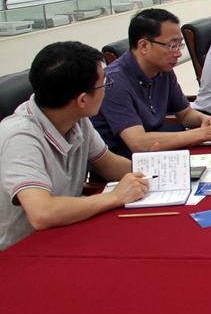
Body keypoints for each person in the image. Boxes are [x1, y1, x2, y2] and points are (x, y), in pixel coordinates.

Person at [0, 42, 150, 250]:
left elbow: (108, 164)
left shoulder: (76, 118)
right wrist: (115, 197)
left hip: (67, 230)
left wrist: (168, 173)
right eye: (104, 84)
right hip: (22, 250)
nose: (107, 88)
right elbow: (42, 213)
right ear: (82, 100)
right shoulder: (20, 137)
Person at [92, 9, 211, 157]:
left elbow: (185, 114)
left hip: (160, 152)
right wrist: (204, 133)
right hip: (126, 163)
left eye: (180, 45)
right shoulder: (113, 82)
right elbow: (138, 142)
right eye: (172, 46)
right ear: (144, 46)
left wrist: (207, 120)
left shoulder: (163, 69)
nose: (178, 53)